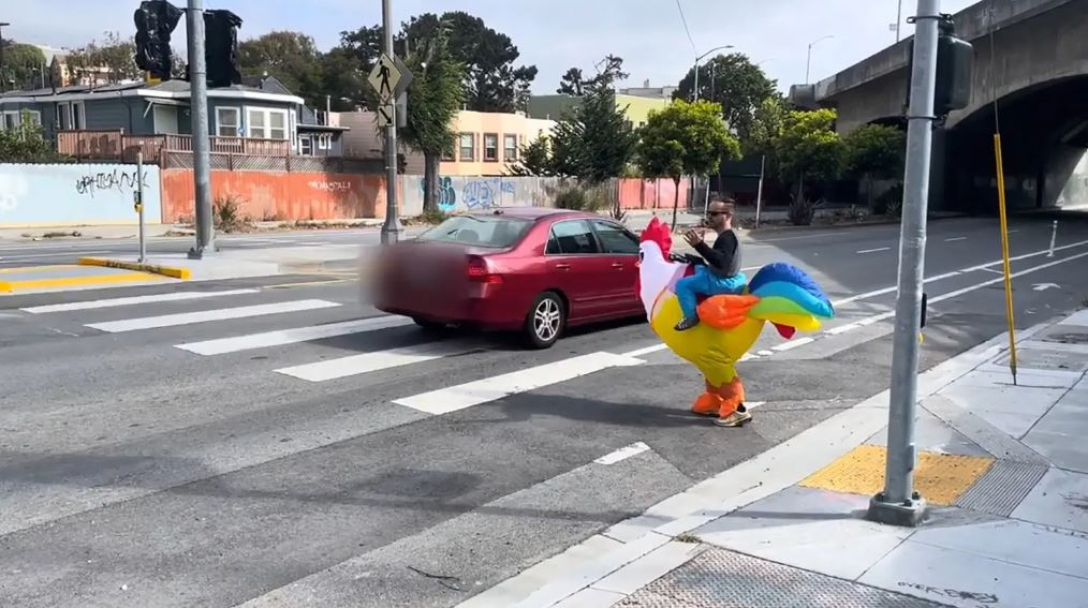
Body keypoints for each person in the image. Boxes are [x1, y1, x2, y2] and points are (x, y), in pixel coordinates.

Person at [673, 199, 746, 331]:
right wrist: (698, 259)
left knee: (682, 284)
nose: (709, 217)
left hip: (723, 282)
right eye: (708, 213)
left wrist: (699, 246)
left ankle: (691, 316)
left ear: (728, 216)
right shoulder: (727, 236)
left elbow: (722, 262)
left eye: (714, 214)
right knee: (698, 267)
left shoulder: (727, 238)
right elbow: (717, 258)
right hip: (724, 277)